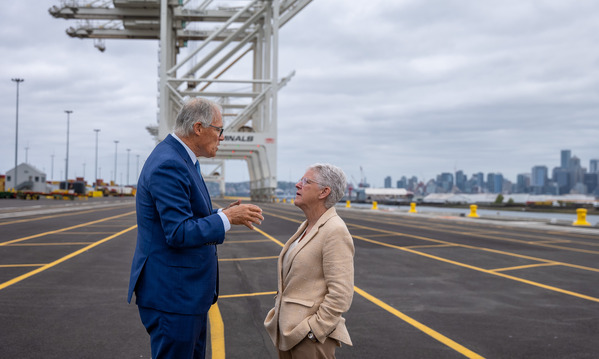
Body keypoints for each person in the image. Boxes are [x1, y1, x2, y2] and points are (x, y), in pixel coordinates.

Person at [128, 97, 264, 359]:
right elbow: (178, 232)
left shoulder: (181, 158)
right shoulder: (170, 164)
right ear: (199, 128)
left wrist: (221, 214)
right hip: (174, 297)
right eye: (219, 129)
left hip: (185, 296)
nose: (222, 137)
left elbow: (187, 216)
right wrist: (226, 220)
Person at [264, 163, 355, 358]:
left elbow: (341, 293)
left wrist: (314, 331)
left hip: (308, 339)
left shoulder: (335, 230)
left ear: (324, 192)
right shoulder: (308, 225)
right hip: (288, 333)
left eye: (305, 181)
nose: (297, 185)